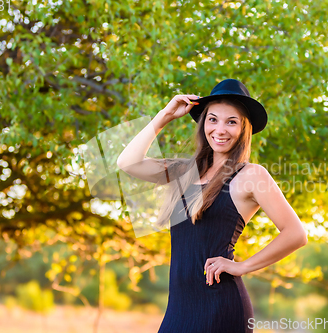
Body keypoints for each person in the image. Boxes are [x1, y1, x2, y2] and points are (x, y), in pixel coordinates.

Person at [117, 79, 308, 333]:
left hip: (220, 307)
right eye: (213, 119)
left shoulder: (251, 175)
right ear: (203, 123)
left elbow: (296, 233)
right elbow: (127, 163)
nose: (220, 129)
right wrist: (163, 117)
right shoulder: (184, 171)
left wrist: (241, 266)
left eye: (231, 122)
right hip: (178, 308)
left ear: (244, 129)